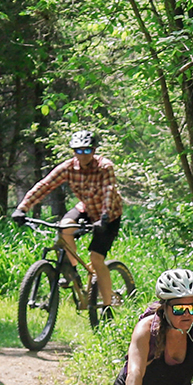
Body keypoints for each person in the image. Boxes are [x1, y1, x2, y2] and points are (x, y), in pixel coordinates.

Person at [14, 129, 126, 311]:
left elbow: (109, 191)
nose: (82, 155)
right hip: (87, 208)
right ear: (73, 152)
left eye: (86, 150)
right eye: (78, 151)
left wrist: (104, 218)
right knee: (64, 227)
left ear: (94, 150)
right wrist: (22, 208)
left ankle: (107, 308)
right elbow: (45, 185)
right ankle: (72, 272)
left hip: (109, 215)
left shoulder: (105, 166)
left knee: (96, 258)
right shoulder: (68, 167)